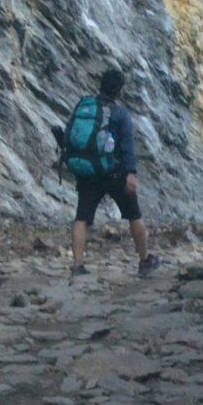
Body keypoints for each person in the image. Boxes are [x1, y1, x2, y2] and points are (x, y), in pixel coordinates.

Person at [70, 68, 161, 277]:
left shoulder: (85, 108)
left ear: (100, 85)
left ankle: (77, 265)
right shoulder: (120, 115)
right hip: (115, 174)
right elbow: (127, 147)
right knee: (134, 215)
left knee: (81, 217)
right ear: (120, 91)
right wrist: (130, 173)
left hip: (88, 171)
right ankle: (144, 260)